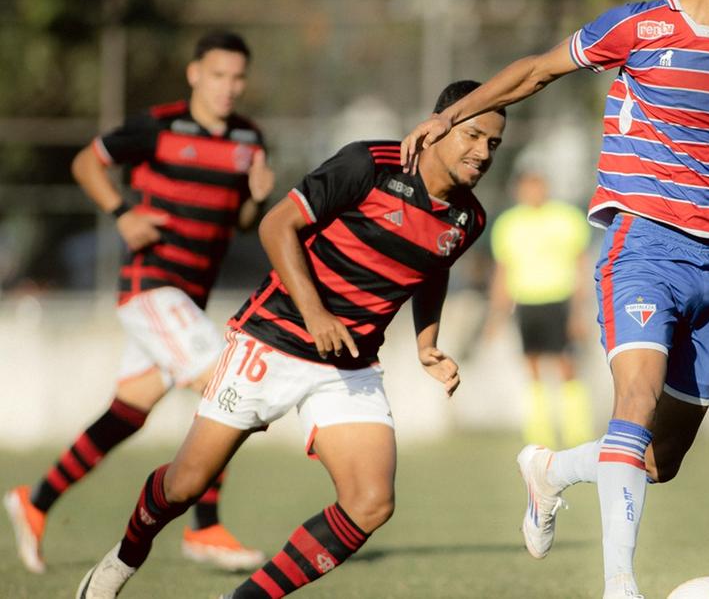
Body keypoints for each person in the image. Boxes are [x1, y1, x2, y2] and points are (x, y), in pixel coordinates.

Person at [400, 0, 709, 596]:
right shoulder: (637, 27)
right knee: (634, 398)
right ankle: (619, 586)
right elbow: (536, 71)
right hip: (643, 246)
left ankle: (551, 470)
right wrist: (449, 115)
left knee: (662, 458)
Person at [73, 80, 504, 599]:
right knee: (184, 485)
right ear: (440, 125)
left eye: (494, 144)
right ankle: (121, 562)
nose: (483, 153)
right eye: (474, 135)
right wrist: (316, 312)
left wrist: (426, 343)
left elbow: (433, 266)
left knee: (370, 503)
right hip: (271, 339)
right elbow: (277, 225)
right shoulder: (369, 164)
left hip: (348, 366)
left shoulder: (468, 218)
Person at [4, 31, 270, 574]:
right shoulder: (158, 125)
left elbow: (241, 222)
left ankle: (35, 502)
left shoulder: (249, 138)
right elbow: (86, 164)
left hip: (187, 299)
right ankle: (205, 527)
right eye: (218, 75)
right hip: (152, 287)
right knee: (228, 385)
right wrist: (121, 212)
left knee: (129, 411)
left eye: (237, 77)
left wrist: (258, 198)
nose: (228, 87)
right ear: (195, 73)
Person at [487, 169, 595, 448]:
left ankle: (576, 432)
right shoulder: (508, 224)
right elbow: (503, 271)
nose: (532, 192)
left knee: (566, 366)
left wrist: (578, 311)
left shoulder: (566, 218)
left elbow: (581, 266)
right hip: (526, 303)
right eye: (527, 187)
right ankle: (539, 435)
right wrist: (496, 315)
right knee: (532, 367)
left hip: (559, 301)